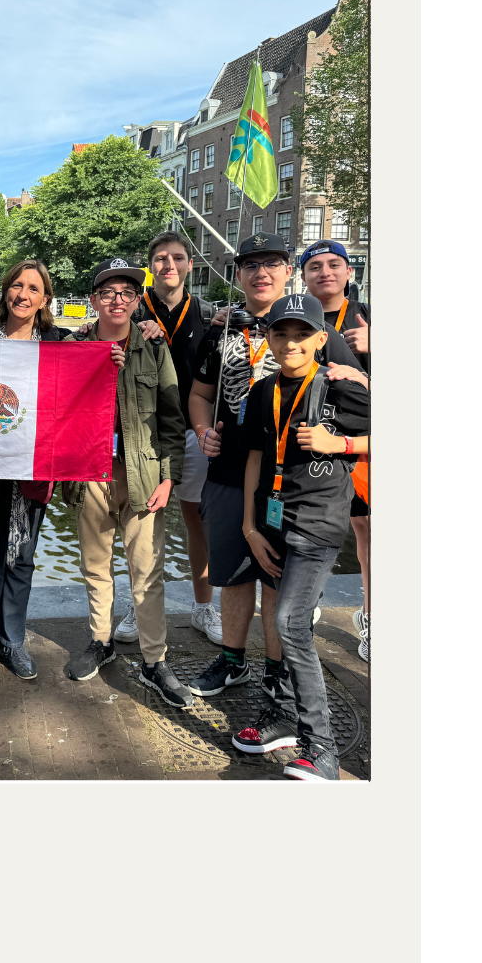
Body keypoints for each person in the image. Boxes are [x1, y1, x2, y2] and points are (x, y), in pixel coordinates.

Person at [187, 232, 363, 700]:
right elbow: (200, 394)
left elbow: (363, 391)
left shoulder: (317, 331)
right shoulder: (222, 329)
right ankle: (232, 661)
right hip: (229, 472)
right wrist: (203, 430)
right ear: (238, 274)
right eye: (250, 264)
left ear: (288, 271)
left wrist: (343, 434)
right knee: (233, 573)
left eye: (271, 263)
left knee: (278, 581)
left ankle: (276, 669)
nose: (261, 272)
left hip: (294, 486)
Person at [232, 293, 369, 780]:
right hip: (271, 523)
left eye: (301, 334)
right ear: (269, 338)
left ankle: (322, 749)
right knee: (289, 620)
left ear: (320, 339)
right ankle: (285, 715)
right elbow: (254, 457)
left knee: (289, 623)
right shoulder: (263, 390)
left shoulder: (340, 386)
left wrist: (341, 443)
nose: (290, 343)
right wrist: (249, 526)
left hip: (317, 524)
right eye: (281, 333)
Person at [60, 258, 189, 703]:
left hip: (143, 474)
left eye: (127, 293)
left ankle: (155, 660)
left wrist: (169, 478)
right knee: (96, 566)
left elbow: (172, 418)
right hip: (90, 473)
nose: (118, 300)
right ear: (93, 300)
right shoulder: (73, 347)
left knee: (147, 571)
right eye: (108, 293)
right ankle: (101, 641)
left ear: (137, 301)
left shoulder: (154, 346)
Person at [0, 260, 67, 680]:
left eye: (33, 288)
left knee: (21, 557)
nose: (23, 295)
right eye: (16, 285)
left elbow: (87, 373)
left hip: (32, 466)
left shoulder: (59, 343)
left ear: (44, 299)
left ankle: (14, 640)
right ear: (5, 290)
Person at [131, 232, 223, 646]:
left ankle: (203, 606)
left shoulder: (209, 314)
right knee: (141, 525)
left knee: (196, 521)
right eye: (161, 258)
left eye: (178, 258)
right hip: (142, 432)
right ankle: (140, 607)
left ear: (190, 264)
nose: (169, 265)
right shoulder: (132, 308)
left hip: (192, 430)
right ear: (150, 264)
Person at [299, 239, 371, 661]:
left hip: (358, 446)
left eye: (334, 264)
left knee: (367, 532)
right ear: (303, 276)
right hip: (308, 447)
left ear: (349, 272)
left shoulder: (370, 319)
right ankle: (306, 605)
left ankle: (370, 615)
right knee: (309, 531)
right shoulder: (294, 317)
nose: (325, 272)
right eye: (315, 266)